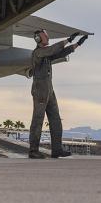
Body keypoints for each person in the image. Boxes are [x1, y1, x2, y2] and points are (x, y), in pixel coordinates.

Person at [27, 28, 88, 159]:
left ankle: (57, 149)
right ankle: (33, 151)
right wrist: (68, 40)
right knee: (38, 120)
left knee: (55, 119)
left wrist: (77, 45)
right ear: (38, 39)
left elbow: (59, 53)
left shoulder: (46, 54)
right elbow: (53, 50)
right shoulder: (38, 52)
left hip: (49, 89)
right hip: (40, 90)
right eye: (45, 36)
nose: (47, 38)